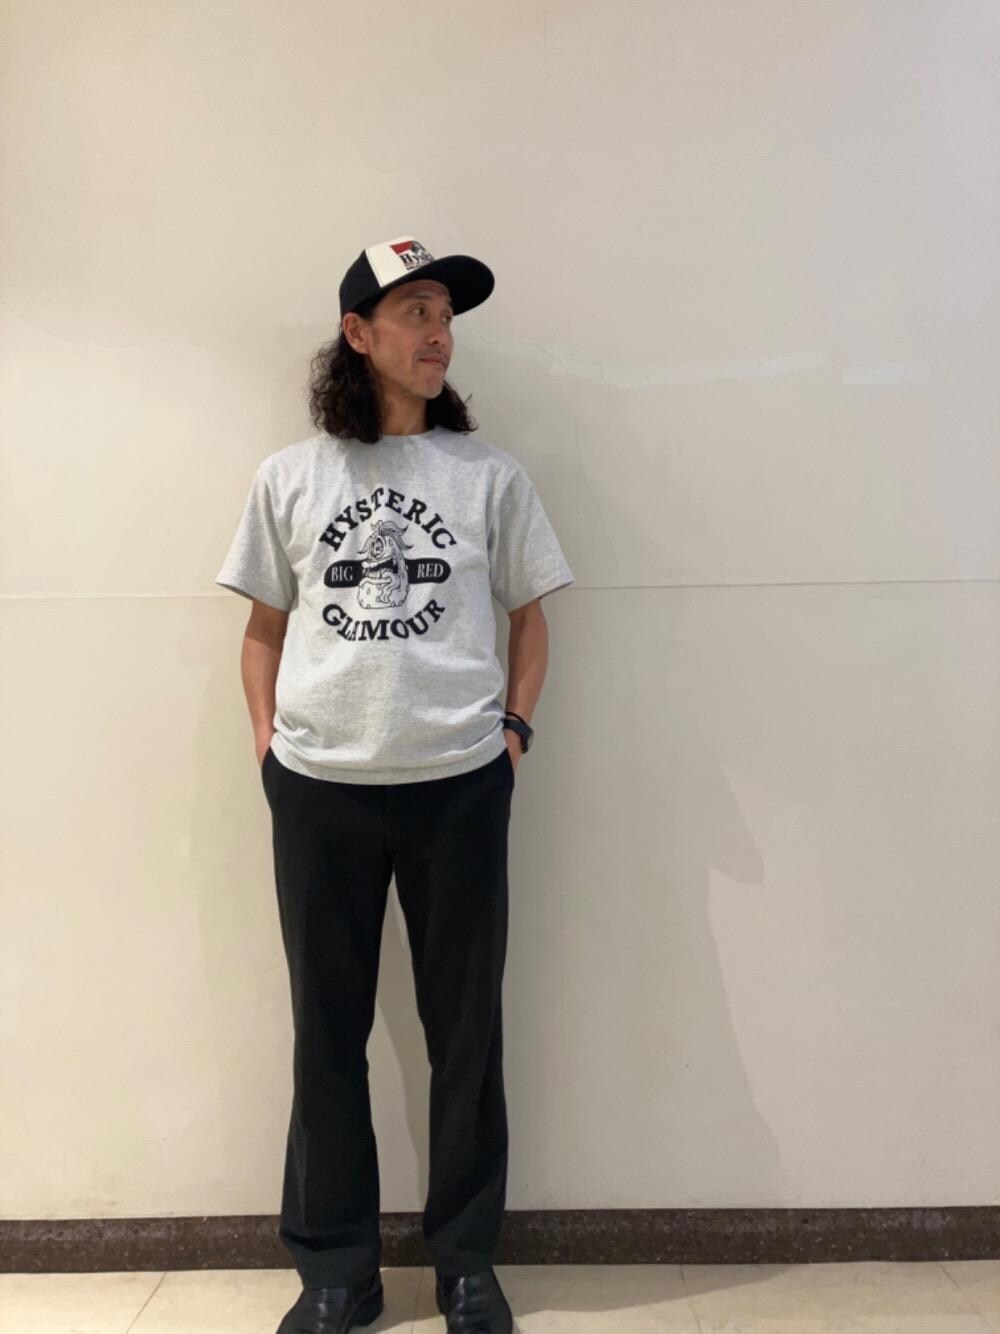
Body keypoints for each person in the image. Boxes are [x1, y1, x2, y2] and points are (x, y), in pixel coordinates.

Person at [215, 235, 574, 1334]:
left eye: (445, 316)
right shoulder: (291, 477)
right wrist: (271, 751)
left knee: (465, 1033)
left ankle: (465, 1263)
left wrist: (512, 734)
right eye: (414, 311)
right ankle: (336, 1270)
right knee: (326, 1032)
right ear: (357, 333)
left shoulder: (487, 476)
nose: (437, 333)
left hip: (458, 784)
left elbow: (530, 618)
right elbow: (262, 630)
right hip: (320, 787)